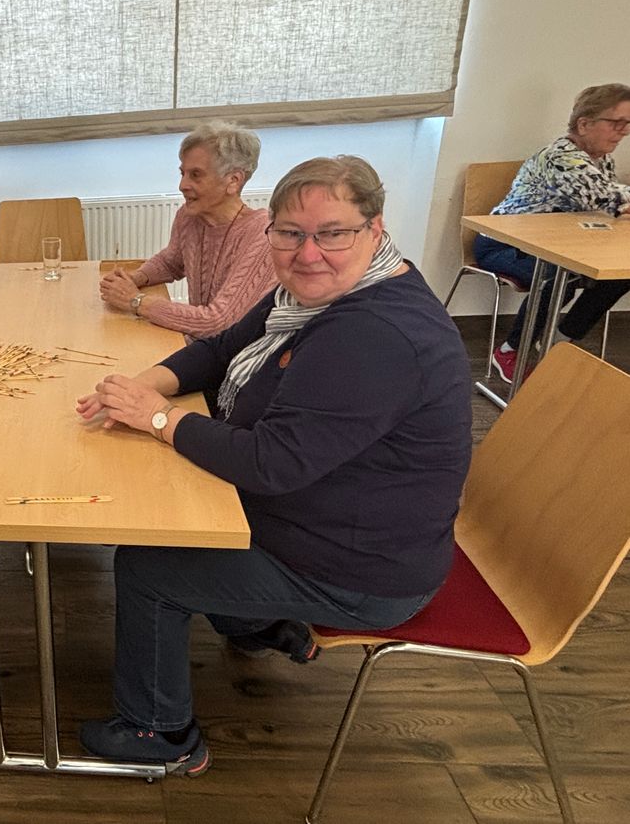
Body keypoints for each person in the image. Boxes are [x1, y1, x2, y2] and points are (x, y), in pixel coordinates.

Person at [75, 157, 471, 775]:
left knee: (148, 563)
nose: (307, 252)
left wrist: (158, 419)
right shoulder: (313, 295)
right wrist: (138, 386)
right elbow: (220, 348)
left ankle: (160, 733)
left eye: (332, 232)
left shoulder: (374, 334)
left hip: (363, 569)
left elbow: (270, 464)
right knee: (181, 508)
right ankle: (257, 626)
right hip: (332, 519)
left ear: (374, 227)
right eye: (289, 232)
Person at [476, 83, 630, 384]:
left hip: (556, 243)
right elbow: (606, 198)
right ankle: (509, 351)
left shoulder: (602, 159)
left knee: (620, 274)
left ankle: (561, 342)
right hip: (503, 244)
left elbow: (609, 207)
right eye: (616, 123)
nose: (623, 131)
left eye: (628, 124)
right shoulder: (561, 157)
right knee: (562, 275)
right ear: (584, 124)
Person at [98, 121, 276, 339]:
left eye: (196, 175)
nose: (182, 185)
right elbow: (171, 262)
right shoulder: (189, 216)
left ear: (233, 180)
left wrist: (135, 301)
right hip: (201, 347)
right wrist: (136, 278)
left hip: (236, 361)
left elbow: (219, 323)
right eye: (182, 173)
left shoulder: (262, 233)